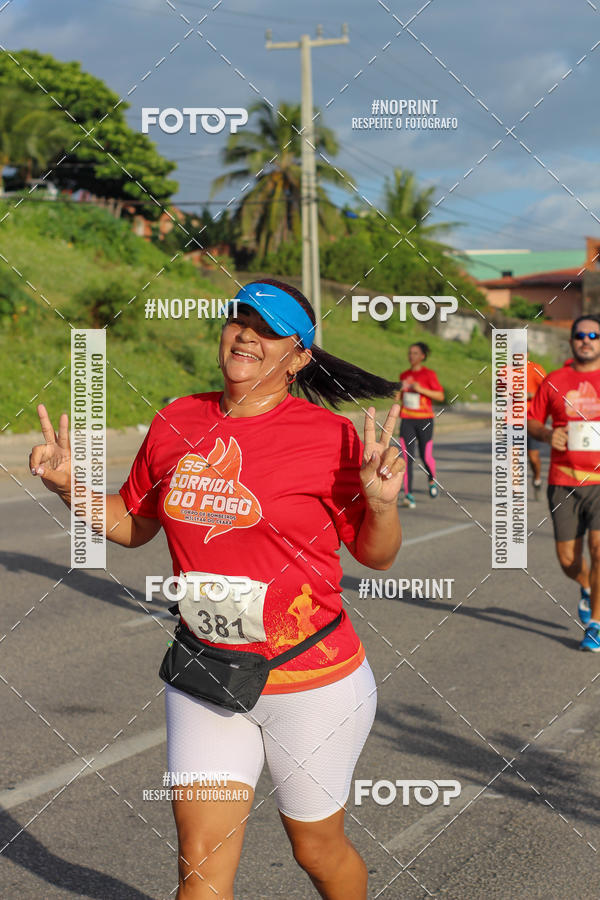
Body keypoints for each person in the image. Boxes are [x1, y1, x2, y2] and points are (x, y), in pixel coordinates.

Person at [29, 278, 405, 899]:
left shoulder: (329, 438)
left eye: (267, 328)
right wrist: (72, 489)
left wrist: (382, 505)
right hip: (210, 673)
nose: (246, 334)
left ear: (299, 356)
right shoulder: (177, 419)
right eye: (238, 320)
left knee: (316, 850)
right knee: (199, 864)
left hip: (311, 681)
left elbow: (375, 554)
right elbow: (133, 524)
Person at [527, 315, 600, 652]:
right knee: (568, 560)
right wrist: (546, 433)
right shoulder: (555, 380)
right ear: (571, 341)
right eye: (580, 335)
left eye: (593, 335)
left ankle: (596, 625)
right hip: (563, 481)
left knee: (599, 552)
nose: (587, 340)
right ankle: (586, 586)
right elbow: (530, 420)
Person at [395, 342, 444, 509]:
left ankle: (432, 480)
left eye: (415, 353)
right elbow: (398, 398)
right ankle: (408, 495)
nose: (411, 356)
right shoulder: (404, 375)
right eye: (410, 353)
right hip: (407, 419)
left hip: (425, 420)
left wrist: (421, 389)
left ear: (422, 356)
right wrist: (397, 392)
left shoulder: (428, 374)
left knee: (426, 455)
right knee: (407, 457)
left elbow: (440, 395)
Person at [526, 353, 547, 498]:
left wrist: (528, 395)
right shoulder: (504, 370)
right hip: (510, 420)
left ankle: (537, 478)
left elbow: (546, 390)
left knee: (533, 457)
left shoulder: (536, 369)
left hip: (532, 419)